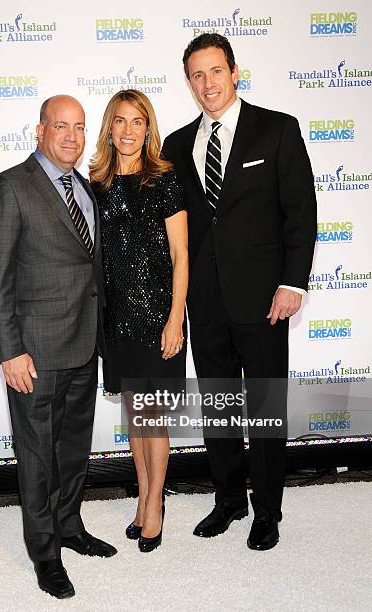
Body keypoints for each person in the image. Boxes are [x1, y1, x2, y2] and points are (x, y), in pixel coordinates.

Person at [162, 34, 317, 550]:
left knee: (266, 406)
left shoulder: (276, 130)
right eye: (197, 76)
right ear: (189, 83)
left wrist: (293, 282)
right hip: (205, 304)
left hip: (265, 300)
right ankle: (229, 500)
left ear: (234, 72)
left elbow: (300, 212)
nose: (207, 84)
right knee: (219, 406)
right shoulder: (177, 146)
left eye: (215, 72)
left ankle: (267, 511)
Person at [0, 95, 116, 600]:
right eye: (61, 126)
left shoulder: (84, 187)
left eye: (79, 128)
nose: (72, 137)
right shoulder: (10, 187)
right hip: (32, 353)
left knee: (73, 449)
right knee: (37, 456)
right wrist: (9, 351)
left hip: (83, 346)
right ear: (40, 131)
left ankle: (70, 526)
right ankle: (44, 554)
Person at [89, 89, 188, 553]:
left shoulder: (164, 180)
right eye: (121, 121)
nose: (129, 130)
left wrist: (175, 319)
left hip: (157, 316)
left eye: (138, 122)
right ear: (110, 127)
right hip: (117, 319)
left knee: (155, 419)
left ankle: (153, 505)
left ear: (148, 129)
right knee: (135, 419)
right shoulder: (97, 185)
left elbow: (180, 255)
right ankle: (146, 499)